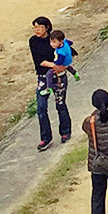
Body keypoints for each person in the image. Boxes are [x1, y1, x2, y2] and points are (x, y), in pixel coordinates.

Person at [30, 16, 71, 150]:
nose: (37, 30)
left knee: (60, 104)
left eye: (40, 27)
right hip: (43, 77)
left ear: (46, 27)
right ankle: (45, 138)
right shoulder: (33, 41)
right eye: (35, 27)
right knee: (41, 108)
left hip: (59, 77)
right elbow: (38, 60)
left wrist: (63, 66)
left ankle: (65, 132)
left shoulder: (55, 39)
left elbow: (70, 53)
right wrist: (54, 66)